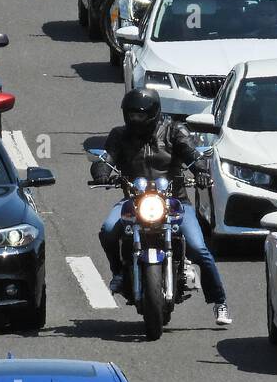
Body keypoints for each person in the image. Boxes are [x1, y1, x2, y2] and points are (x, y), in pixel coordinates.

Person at [95, 88, 232, 326]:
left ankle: (219, 301)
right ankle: (118, 272)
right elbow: (106, 158)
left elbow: (191, 154)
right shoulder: (119, 135)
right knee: (108, 230)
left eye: (140, 115)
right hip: (134, 200)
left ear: (153, 113)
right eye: (132, 115)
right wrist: (101, 172)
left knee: (199, 249)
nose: (136, 120)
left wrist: (200, 171)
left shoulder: (174, 131)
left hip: (175, 201)